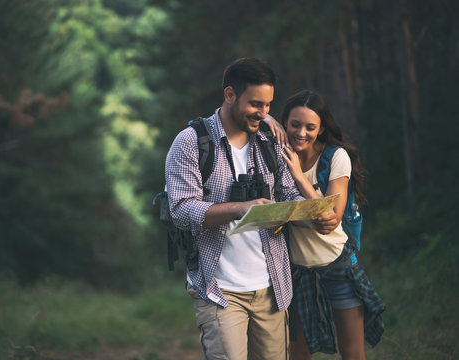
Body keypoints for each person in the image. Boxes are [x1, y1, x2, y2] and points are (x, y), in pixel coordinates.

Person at [165, 59, 336, 360]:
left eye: (269, 105)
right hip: (219, 291)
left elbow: (291, 193)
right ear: (229, 94)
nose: (264, 113)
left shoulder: (271, 141)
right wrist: (240, 208)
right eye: (255, 104)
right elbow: (180, 210)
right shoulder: (191, 144)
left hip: (273, 286)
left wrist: (311, 213)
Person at [264, 89, 385, 360]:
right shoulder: (274, 155)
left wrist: (299, 175)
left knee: (352, 352)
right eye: (294, 124)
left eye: (310, 127)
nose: (301, 133)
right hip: (297, 272)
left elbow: (331, 216)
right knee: (299, 354)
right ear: (284, 123)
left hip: (338, 266)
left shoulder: (336, 156)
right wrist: (267, 119)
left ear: (321, 129)